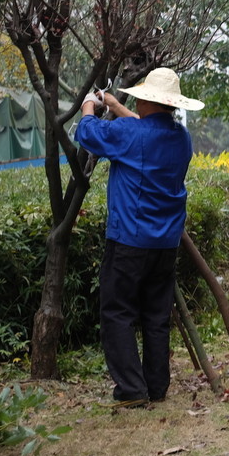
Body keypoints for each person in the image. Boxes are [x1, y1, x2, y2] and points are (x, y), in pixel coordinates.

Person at [76, 67, 204, 408]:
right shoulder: (180, 137)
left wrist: (90, 104)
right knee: (155, 315)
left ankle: (131, 390)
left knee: (117, 312)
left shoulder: (130, 134)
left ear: (147, 99)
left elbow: (88, 134)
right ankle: (156, 386)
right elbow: (144, 130)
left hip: (129, 241)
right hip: (165, 244)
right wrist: (116, 106)